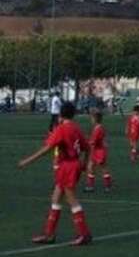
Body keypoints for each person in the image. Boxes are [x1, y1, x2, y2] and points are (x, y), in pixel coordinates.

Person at [17, 101, 93, 246]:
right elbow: (87, 147)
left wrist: (27, 161)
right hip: (74, 164)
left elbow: (47, 148)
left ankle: (84, 233)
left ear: (60, 114)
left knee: (71, 198)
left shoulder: (62, 129)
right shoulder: (76, 128)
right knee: (56, 198)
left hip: (67, 166)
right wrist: (84, 163)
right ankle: (49, 234)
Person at [84, 110, 112, 193]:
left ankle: (107, 186)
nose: (91, 120)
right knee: (90, 167)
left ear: (95, 119)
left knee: (102, 168)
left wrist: (87, 142)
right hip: (97, 150)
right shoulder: (98, 127)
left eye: (92, 118)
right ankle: (90, 186)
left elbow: (93, 142)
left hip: (99, 151)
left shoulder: (98, 129)